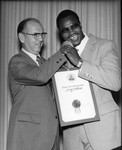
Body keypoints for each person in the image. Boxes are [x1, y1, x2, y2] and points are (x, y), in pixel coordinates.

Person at [56, 9, 121, 150]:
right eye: (65, 30)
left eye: (74, 26)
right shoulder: (59, 57)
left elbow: (115, 82)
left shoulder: (104, 46)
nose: (71, 32)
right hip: (73, 138)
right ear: (60, 34)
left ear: (80, 24)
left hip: (104, 133)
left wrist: (80, 63)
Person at [7, 18, 68, 150]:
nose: (40, 39)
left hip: (52, 138)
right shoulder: (17, 62)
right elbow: (40, 76)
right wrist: (63, 51)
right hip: (29, 138)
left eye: (42, 35)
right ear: (22, 37)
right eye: (36, 35)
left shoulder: (48, 64)